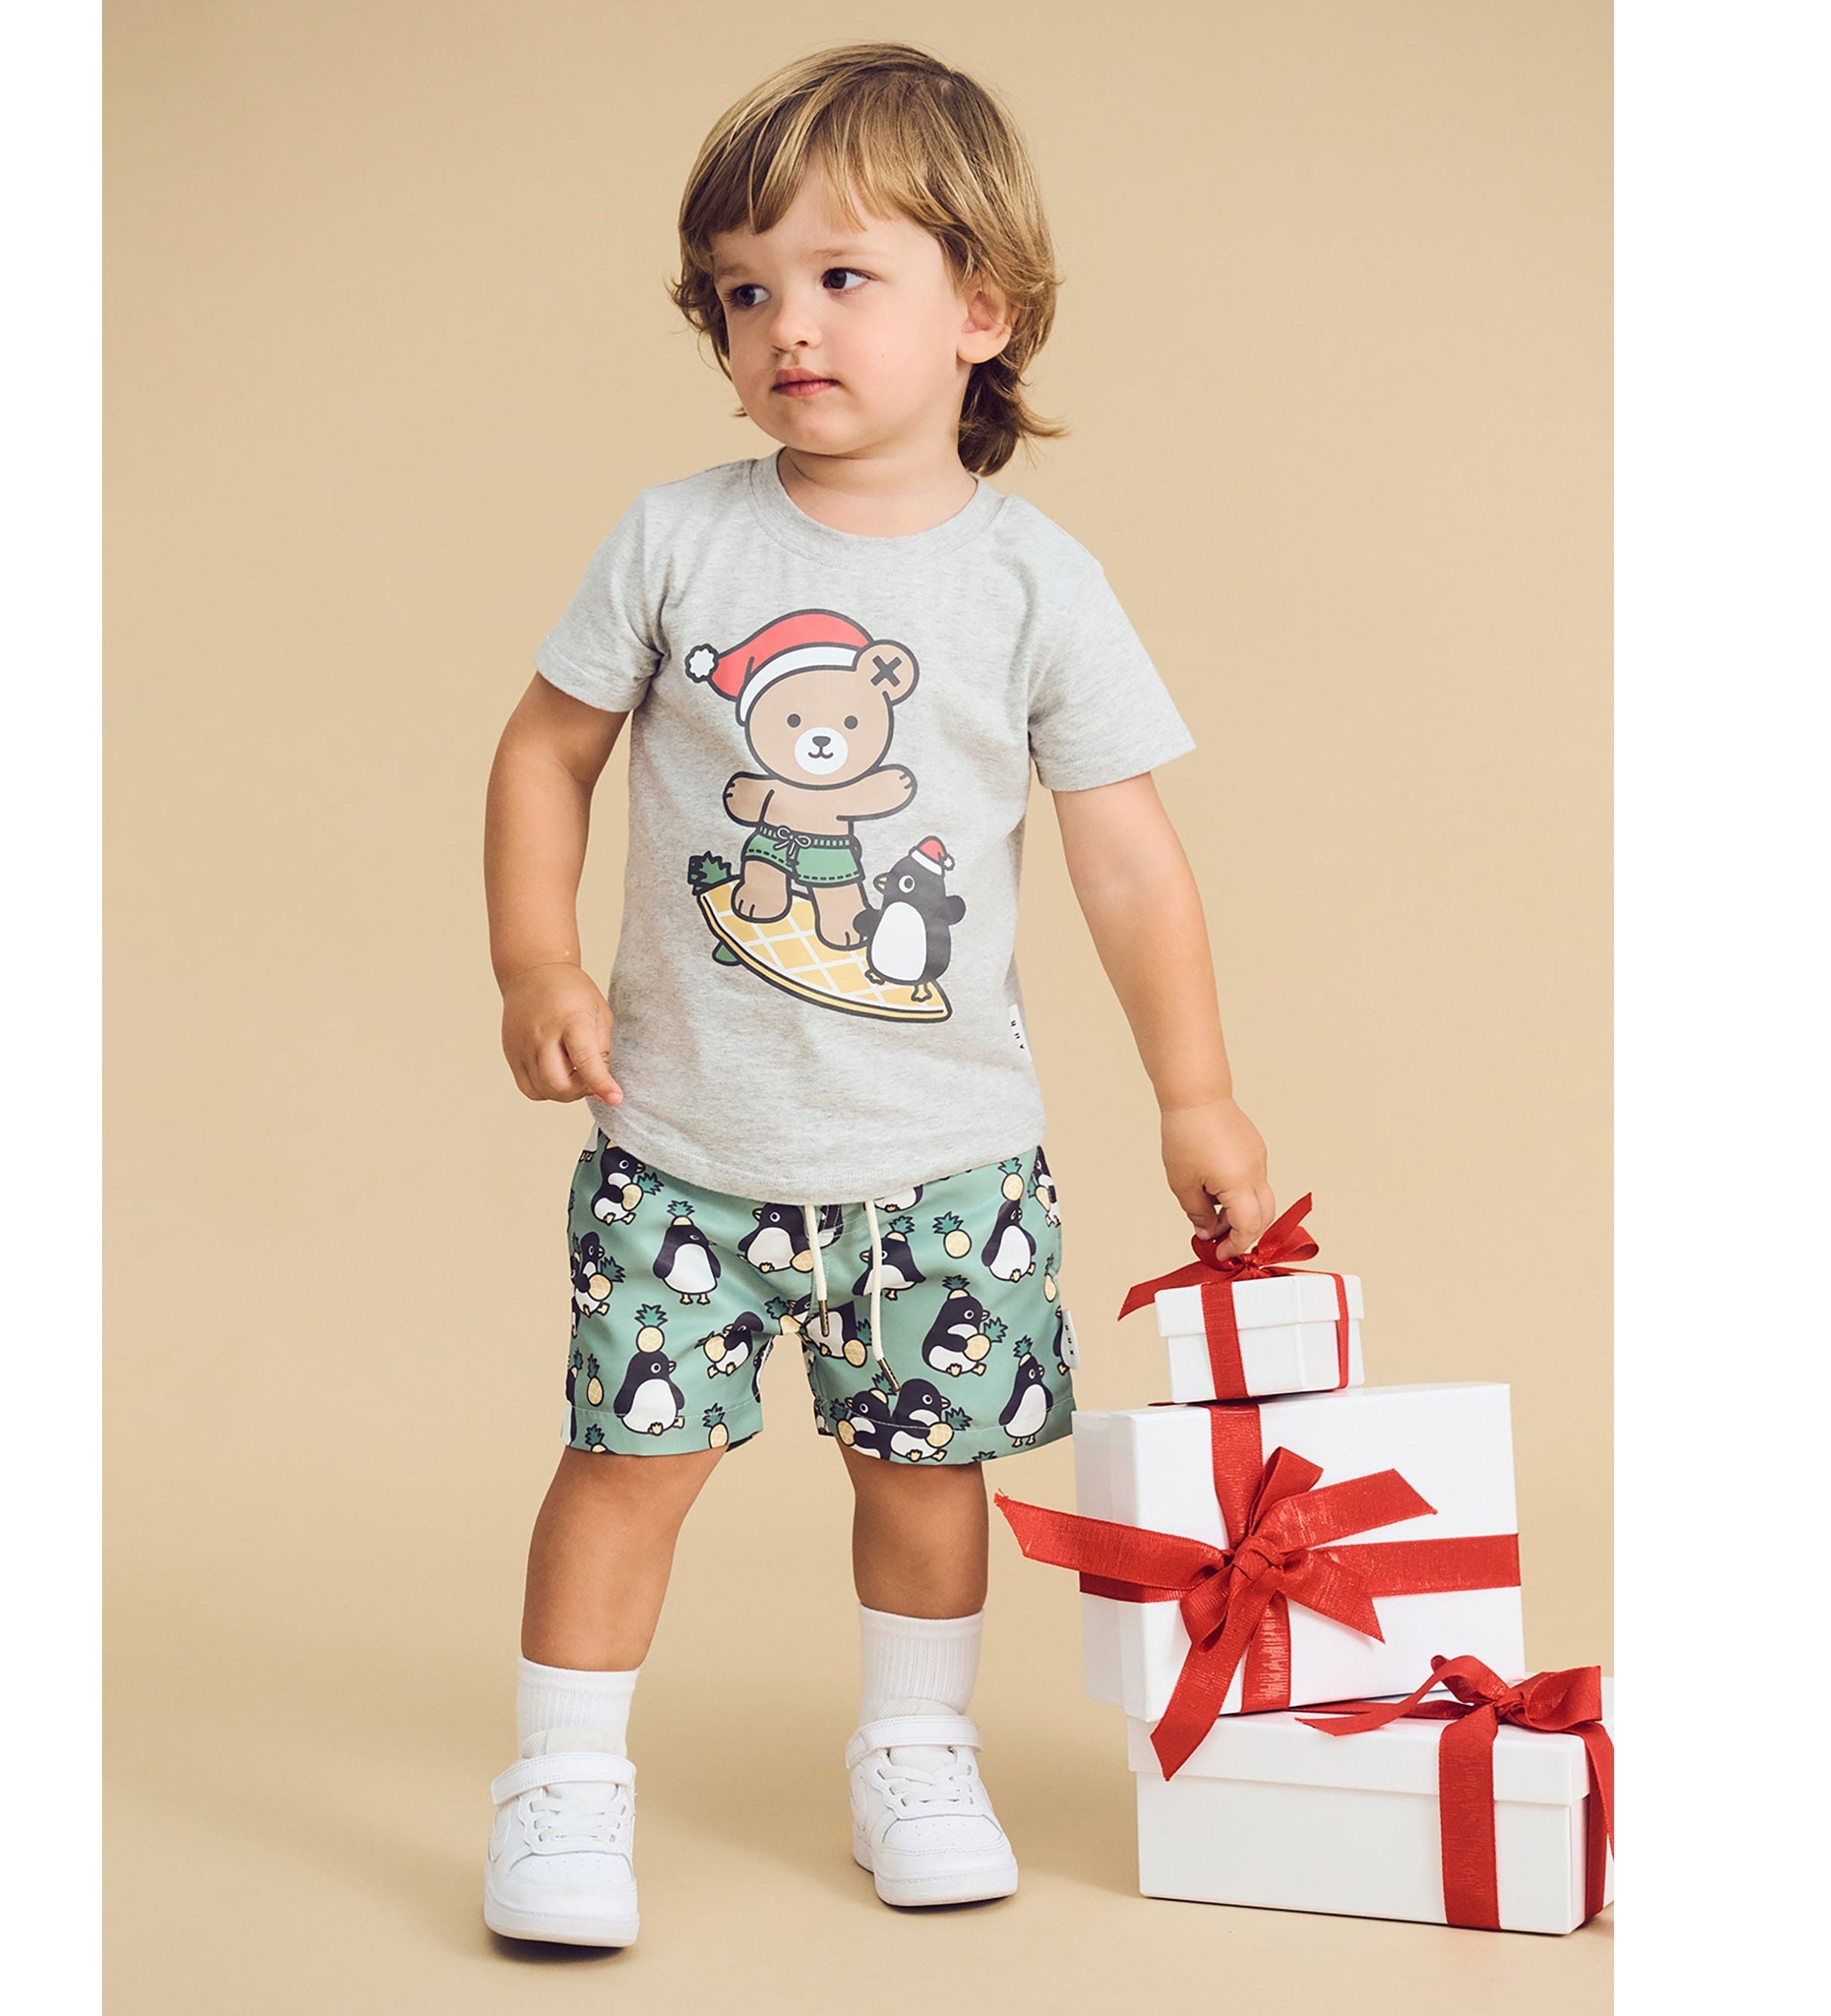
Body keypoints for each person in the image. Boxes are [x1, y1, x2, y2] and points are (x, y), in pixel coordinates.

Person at [481, 43, 1272, 1947]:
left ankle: (914, 1749)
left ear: (979, 310)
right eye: (742, 291)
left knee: (928, 1479)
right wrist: (535, 958)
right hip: (684, 1141)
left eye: (841, 276)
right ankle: (564, 1780)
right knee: (624, 1463)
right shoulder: (677, 539)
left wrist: (1193, 1091)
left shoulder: (1034, 584)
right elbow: (542, 751)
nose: (786, 325)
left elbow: (1125, 856)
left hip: (944, 1159)